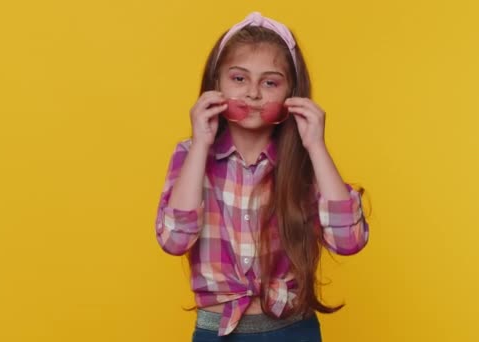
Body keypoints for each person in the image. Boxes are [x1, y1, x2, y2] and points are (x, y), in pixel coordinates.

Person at [155, 12, 369, 342]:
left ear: (291, 94)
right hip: (219, 331)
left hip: (294, 329)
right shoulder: (190, 154)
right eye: (239, 79)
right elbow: (174, 240)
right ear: (216, 85)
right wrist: (200, 145)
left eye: (270, 83)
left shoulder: (304, 160)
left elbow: (348, 241)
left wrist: (316, 146)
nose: (253, 93)